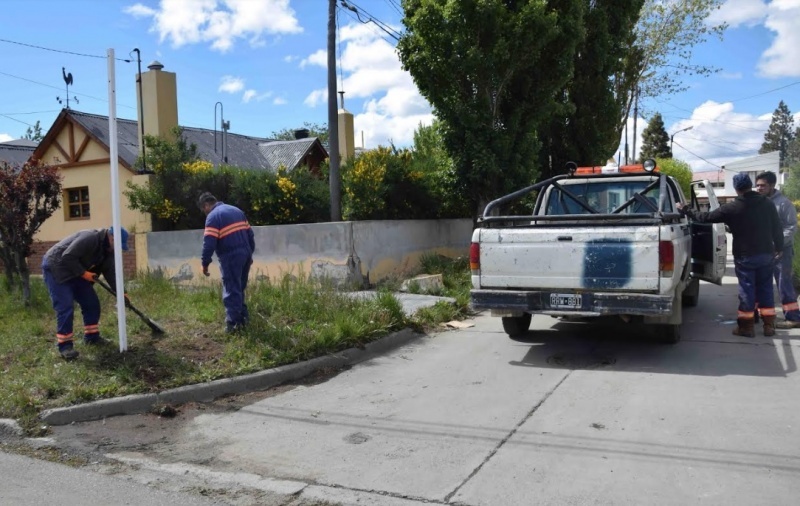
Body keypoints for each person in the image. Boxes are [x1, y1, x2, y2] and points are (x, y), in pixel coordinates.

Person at [676, 173, 783, 338]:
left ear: (736, 188)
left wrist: (685, 209)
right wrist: (779, 247)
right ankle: (769, 326)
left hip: (745, 256)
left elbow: (705, 218)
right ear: (751, 185)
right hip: (765, 253)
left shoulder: (732, 208)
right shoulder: (767, 203)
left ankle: (746, 327)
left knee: (747, 291)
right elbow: (777, 227)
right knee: (766, 288)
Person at [42, 227, 129, 360]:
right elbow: (68, 257)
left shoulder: (107, 251)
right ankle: (65, 347)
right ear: (111, 238)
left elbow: (111, 274)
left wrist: (122, 293)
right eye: (117, 245)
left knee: (91, 303)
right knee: (65, 307)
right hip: (56, 267)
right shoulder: (89, 238)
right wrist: (84, 273)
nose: (118, 250)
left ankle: (92, 337)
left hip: (76, 270)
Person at [198, 192, 255, 333]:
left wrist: (205, 263)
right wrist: (249, 254)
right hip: (245, 254)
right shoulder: (236, 210)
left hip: (230, 257)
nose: (204, 213)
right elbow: (250, 235)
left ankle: (234, 325)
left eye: (203, 210)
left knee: (231, 289)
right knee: (239, 288)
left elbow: (209, 243)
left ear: (206, 205)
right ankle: (244, 319)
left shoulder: (213, 217)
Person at [755, 171, 800, 329]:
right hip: (762, 250)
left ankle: (793, 317)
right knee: (760, 282)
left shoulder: (783, 203)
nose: (759, 188)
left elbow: (791, 227)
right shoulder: (758, 202)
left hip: (781, 251)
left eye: (763, 185)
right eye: (758, 185)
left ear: (772, 185)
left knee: (783, 283)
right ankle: (761, 315)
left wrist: (777, 244)